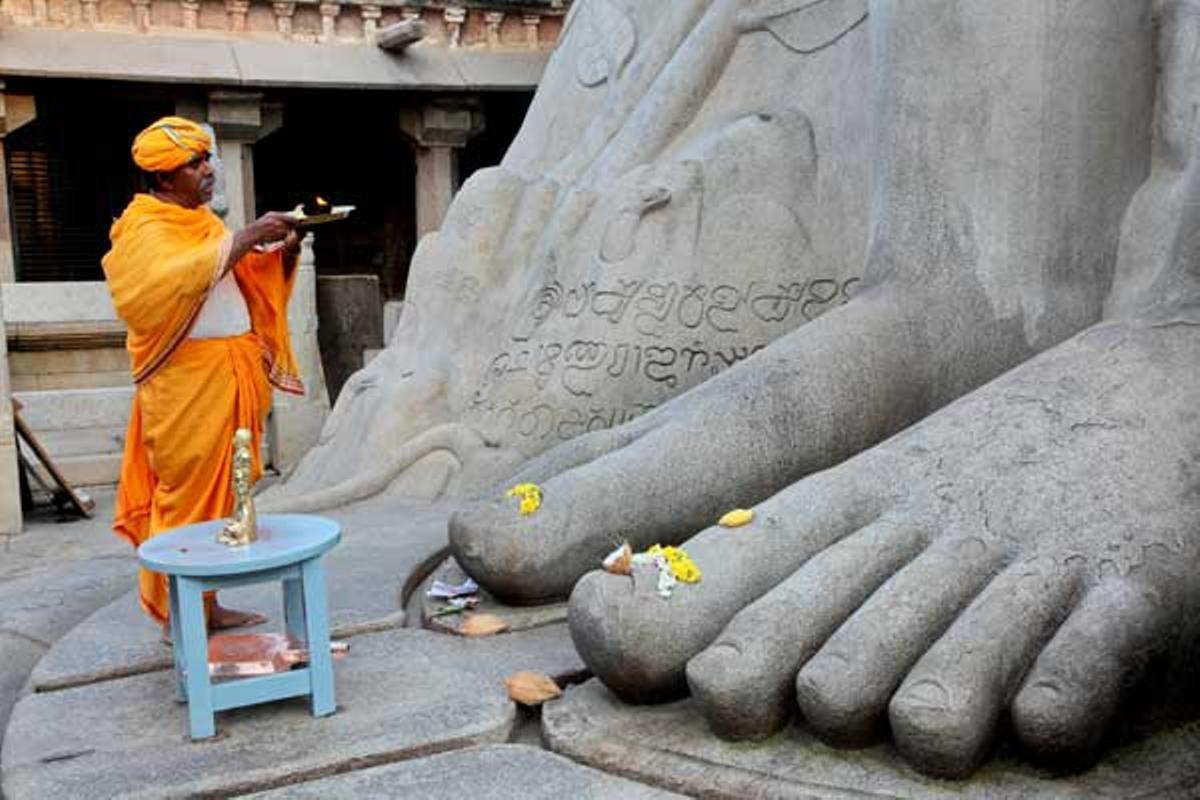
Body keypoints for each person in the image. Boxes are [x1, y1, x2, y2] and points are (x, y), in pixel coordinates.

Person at [102, 115, 305, 637]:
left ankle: (208, 606)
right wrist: (246, 235)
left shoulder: (206, 223)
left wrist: (280, 249)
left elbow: (232, 275)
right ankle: (177, 614)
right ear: (164, 179)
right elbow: (156, 289)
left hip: (233, 374)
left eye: (207, 159)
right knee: (187, 499)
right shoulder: (142, 227)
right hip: (185, 387)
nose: (208, 170)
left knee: (228, 497)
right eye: (195, 164)